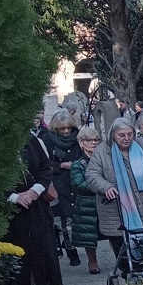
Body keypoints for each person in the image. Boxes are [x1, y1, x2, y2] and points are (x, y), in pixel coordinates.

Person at [86, 117, 143, 263]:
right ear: (112, 135)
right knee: (123, 254)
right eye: (121, 135)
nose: (126, 138)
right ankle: (128, 274)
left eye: (130, 134)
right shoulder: (102, 151)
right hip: (116, 209)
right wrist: (106, 186)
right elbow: (92, 175)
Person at [5, 132, 63, 285]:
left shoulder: (29, 138)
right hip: (10, 213)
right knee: (18, 264)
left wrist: (34, 191)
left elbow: (46, 167)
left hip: (37, 207)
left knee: (42, 256)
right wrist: (15, 197)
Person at [42, 111, 83, 266]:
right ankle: (71, 251)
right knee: (65, 218)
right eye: (62, 129)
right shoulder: (47, 140)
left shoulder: (78, 137)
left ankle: (86, 249)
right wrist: (61, 165)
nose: (66, 132)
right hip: (59, 181)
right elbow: (45, 163)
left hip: (76, 180)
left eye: (68, 128)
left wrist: (76, 165)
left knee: (79, 216)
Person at [70, 126, 102, 274]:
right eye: (90, 140)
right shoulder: (77, 165)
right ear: (82, 143)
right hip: (87, 203)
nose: (94, 143)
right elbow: (79, 184)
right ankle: (92, 261)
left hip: (105, 202)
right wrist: (101, 187)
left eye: (96, 140)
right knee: (88, 234)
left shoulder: (103, 161)